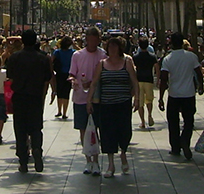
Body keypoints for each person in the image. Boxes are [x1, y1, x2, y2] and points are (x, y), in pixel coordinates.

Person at [87, 36, 139, 178]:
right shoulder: (102, 64)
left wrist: (137, 99)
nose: (112, 50)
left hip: (123, 103)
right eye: (110, 47)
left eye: (115, 47)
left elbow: (134, 81)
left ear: (120, 48)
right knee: (107, 133)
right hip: (107, 105)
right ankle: (110, 164)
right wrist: (89, 100)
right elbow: (94, 83)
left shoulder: (127, 62)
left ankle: (123, 153)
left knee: (125, 131)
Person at [6, 29, 55, 173]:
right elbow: (47, 78)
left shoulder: (15, 58)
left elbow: (11, 78)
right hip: (35, 97)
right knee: (36, 128)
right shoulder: (43, 58)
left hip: (20, 97)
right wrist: (47, 93)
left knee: (20, 129)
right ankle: (37, 150)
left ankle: (23, 160)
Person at [158, 32, 204, 160]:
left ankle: (175, 147)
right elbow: (198, 72)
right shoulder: (191, 56)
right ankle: (185, 140)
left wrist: (161, 97)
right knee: (189, 121)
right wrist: (201, 86)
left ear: (171, 43)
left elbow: (163, 79)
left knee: (173, 122)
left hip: (174, 94)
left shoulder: (168, 59)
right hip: (189, 94)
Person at [70, 26, 107, 175]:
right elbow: (72, 74)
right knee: (83, 130)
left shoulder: (103, 55)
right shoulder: (77, 55)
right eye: (90, 40)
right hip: (80, 98)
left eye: (95, 40)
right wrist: (74, 81)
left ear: (99, 40)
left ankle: (96, 161)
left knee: (96, 129)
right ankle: (88, 160)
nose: (92, 43)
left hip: (98, 99)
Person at [132, 37, 158, 129]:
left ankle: (142, 121)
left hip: (138, 80)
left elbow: (133, 68)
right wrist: (158, 79)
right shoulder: (152, 57)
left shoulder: (135, 57)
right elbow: (156, 67)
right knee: (149, 100)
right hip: (149, 80)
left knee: (140, 102)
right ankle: (150, 115)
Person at [52, 36, 75, 120]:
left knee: (59, 92)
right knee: (66, 93)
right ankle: (65, 113)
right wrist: (75, 45)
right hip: (69, 74)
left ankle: (59, 111)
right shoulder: (73, 52)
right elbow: (81, 52)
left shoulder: (57, 52)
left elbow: (51, 61)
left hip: (59, 74)